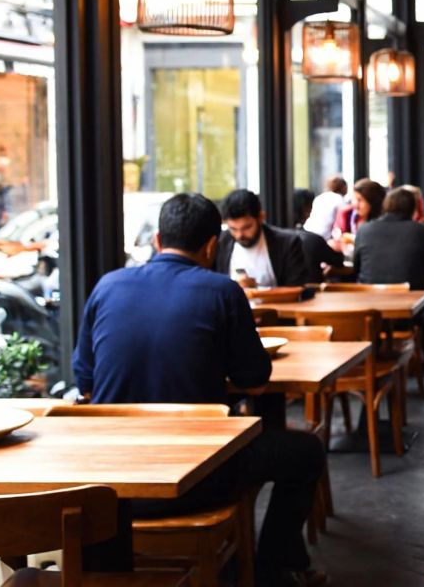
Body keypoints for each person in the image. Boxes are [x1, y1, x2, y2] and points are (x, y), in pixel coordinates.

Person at [71, 193, 326, 586]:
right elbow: (254, 380)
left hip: (109, 486)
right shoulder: (221, 292)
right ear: (212, 245)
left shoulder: (107, 286)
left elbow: (85, 383)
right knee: (305, 451)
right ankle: (273, 568)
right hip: (193, 477)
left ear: (158, 240)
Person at [214, 189, 309, 288]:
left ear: (261, 217)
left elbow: (295, 290)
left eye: (247, 227)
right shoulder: (220, 242)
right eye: (233, 229)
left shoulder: (288, 244)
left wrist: (254, 289)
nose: (239, 235)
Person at [354, 187, 424, 289]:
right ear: (413, 209)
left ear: (385, 205)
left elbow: (357, 267)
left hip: (369, 295)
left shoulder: (364, 229)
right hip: (411, 296)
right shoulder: (421, 230)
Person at [291, 188, 345, 283]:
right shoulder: (312, 240)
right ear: (306, 209)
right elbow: (338, 260)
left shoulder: (275, 240)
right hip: (314, 294)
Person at [331, 178, 385, 246]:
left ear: (373, 202)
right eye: (354, 199)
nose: (355, 204)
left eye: (360, 200)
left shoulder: (383, 219)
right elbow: (336, 236)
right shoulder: (346, 214)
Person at [303, 175, 347, 240]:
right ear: (343, 187)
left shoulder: (319, 197)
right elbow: (343, 223)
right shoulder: (339, 199)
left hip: (307, 231)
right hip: (322, 237)